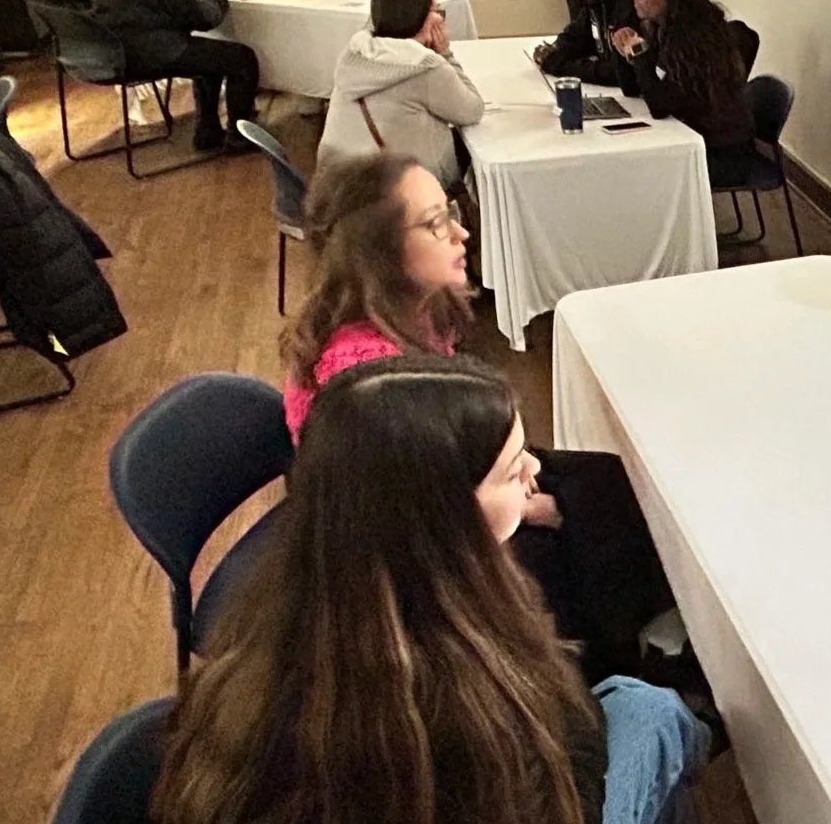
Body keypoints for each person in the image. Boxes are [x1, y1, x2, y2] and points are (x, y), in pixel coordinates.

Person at [152, 356, 714, 824]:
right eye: (513, 469)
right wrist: (592, 726)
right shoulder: (413, 693)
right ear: (445, 512)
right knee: (647, 720)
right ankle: (706, 759)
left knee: (637, 744)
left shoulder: (318, 597)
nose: (535, 474)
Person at [283, 153, 681, 684]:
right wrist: (540, 506)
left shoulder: (407, 311)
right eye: (436, 223)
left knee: (606, 477)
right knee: (585, 521)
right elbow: (419, 522)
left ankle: (637, 630)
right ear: (380, 249)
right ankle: (615, 668)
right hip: (409, 557)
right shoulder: (370, 384)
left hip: (451, 477)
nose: (462, 233)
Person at [318, 0, 483, 193]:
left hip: (339, 189)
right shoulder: (424, 67)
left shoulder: (354, 52)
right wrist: (445, 53)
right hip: (400, 194)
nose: (441, 18)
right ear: (423, 18)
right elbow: (472, 110)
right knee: (479, 154)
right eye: (437, 11)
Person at [610, 0, 756, 188]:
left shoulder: (696, 38)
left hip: (722, 157)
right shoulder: (666, 27)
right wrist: (623, 50)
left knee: (629, 171)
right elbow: (631, 89)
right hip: (695, 142)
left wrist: (639, 54)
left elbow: (660, 106)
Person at [89, 0, 259, 153]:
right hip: (152, 51)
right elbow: (202, 18)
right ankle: (239, 138)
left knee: (209, 53)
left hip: (113, 48)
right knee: (242, 59)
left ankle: (207, 132)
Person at [535, 0, 638, 88]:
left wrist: (560, 66)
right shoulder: (596, 1)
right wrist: (553, 51)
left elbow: (621, 73)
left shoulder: (630, 1)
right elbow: (575, 37)